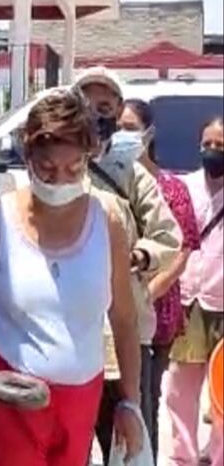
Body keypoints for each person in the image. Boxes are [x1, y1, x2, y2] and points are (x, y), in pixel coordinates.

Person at [0, 89, 143, 466]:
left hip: (80, 402)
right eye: (47, 169)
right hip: (8, 398)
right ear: (28, 157)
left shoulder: (106, 223)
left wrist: (130, 402)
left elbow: (125, 320)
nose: (60, 180)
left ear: (89, 159)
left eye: (74, 168)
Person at [73, 67, 183, 459]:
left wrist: (136, 256)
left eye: (105, 107)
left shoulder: (132, 173)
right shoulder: (60, 169)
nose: (97, 115)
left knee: (132, 444)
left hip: (128, 337)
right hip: (75, 337)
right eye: (87, 105)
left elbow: (170, 237)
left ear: (118, 111)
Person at [119, 98, 202, 462]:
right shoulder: (106, 182)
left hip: (157, 314)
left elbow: (181, 250)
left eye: (130, 126)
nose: (123, 134)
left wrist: (147, 293)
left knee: (145, 402)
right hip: (113, 315)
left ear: (148, 133)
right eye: (117, 125)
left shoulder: (172, 188)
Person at [165, 116, 224, 466]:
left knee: (222, 394)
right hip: (188, 301)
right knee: (179, 391)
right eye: (208, 144)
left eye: (221, 146)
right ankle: (184, 458)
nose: (213, 152)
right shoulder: (182, 188)